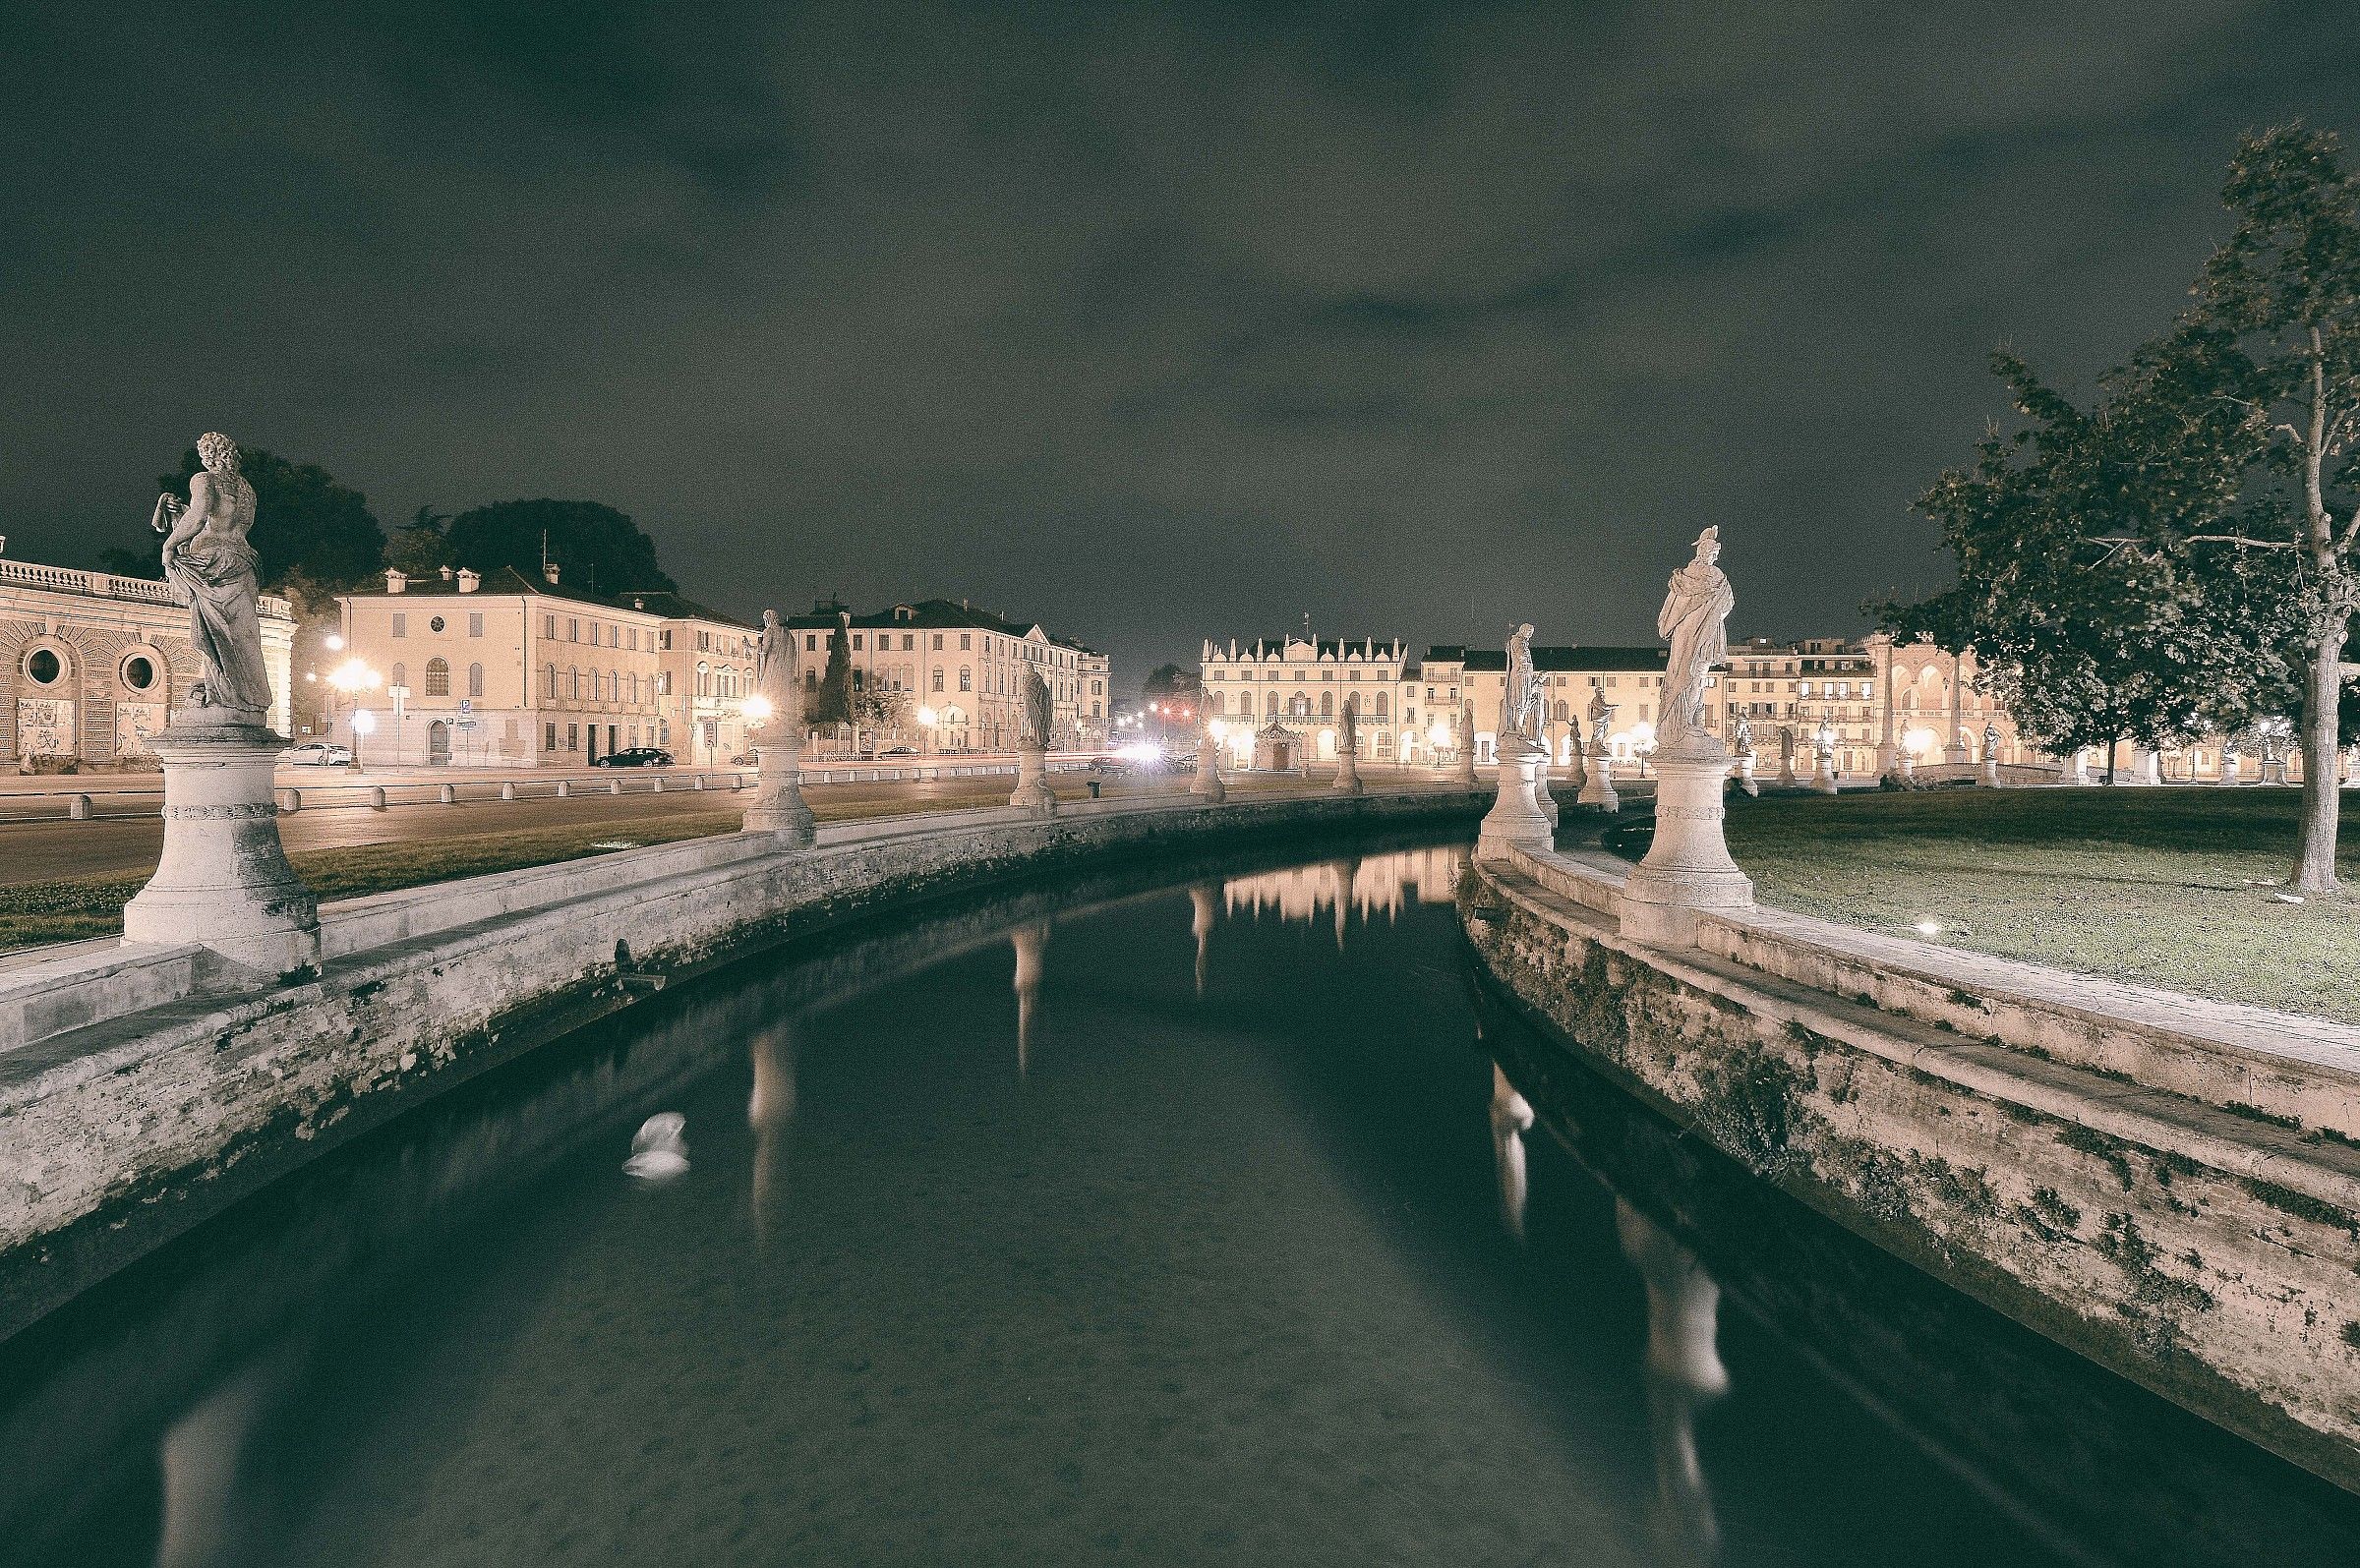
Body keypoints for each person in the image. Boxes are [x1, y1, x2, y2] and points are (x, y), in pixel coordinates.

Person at [151, 433, 271, 721]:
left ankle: (223, 695)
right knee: (244, 635)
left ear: (208, 455)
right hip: (244, 563)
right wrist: (182, 510)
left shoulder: (203, 480)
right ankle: (252, 698)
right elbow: (223, 520)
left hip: (212, 564)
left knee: (217, 634)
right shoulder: (246, 489)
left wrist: (169, 545)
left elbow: (201, 516)